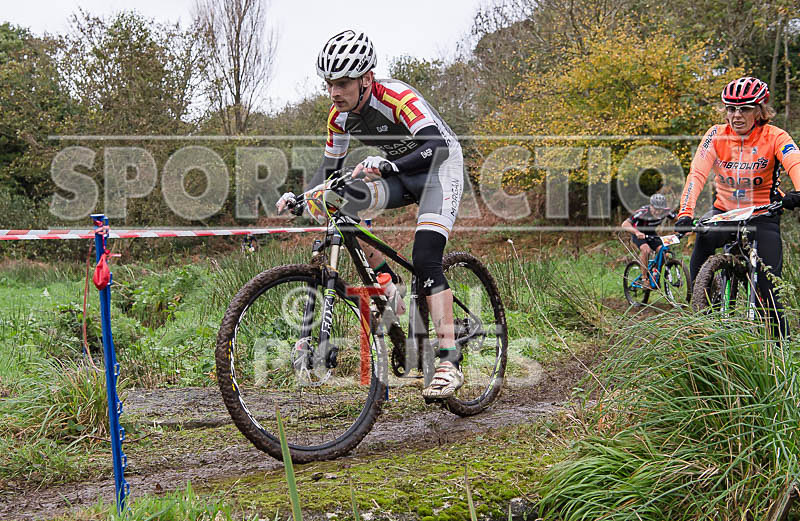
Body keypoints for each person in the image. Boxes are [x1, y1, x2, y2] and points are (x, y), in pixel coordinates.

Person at [276, 30, 465, 398]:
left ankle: (448, 359)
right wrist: (300, 198)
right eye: (329, 83)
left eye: (343, 83)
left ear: (366, 79)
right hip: (396, 170)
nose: (334, 92)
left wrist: (392, 167)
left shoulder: (396, 96)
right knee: (341, 200)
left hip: (439, 169)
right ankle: (388, 287)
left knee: (426, 257)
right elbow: (329, 174)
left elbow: (436, 146)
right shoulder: (339, 117)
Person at [675, 76, 800, 339]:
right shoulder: (715, 135)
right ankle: (700, 306)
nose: (736, 115)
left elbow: (794, 162)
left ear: (760, 110)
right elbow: (697, 174)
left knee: (768, 292)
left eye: (744, 108)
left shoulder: (775, 136)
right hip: (725, 212)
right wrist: (685, 213)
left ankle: (781, 351)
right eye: (731, 108)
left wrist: (798, 192)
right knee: (704, 235)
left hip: (763, 215)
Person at [621, 193, 676, 289]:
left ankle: (655, 274)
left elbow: (678, 219)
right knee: (646, 250)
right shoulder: (643, 211)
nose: (658, 212)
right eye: (655, 209)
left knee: (665, 253)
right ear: (651, 206)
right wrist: (637, 232)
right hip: (639, 234)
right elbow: (625, 224)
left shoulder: (666, 211)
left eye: (660, 210)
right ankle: (644, 278)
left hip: (651, 234)